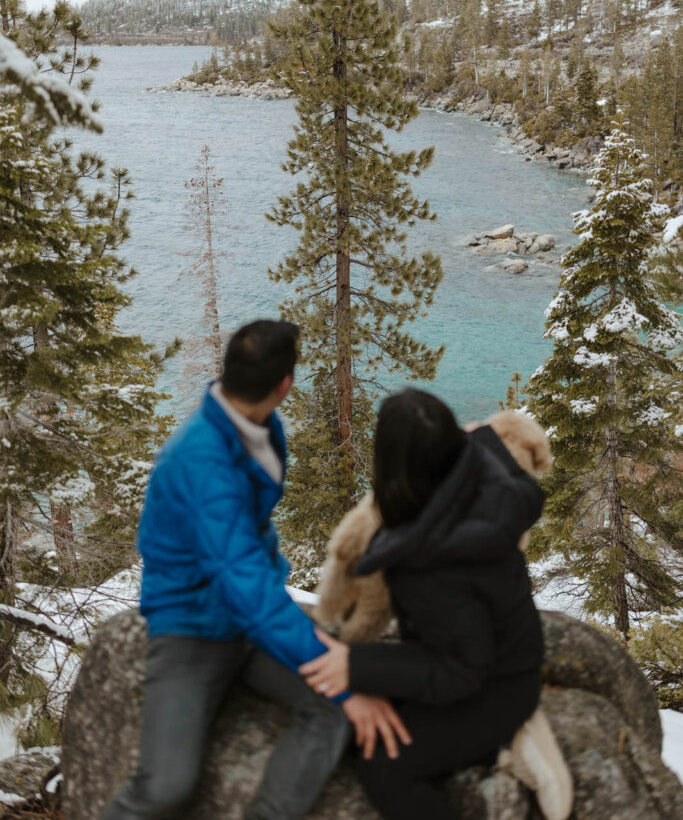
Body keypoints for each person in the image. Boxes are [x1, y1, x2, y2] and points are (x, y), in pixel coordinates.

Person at [102, 319, 410, 820]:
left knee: (331, 713)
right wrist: (345, 678)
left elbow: (251, 558)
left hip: (253, 616)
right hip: (191, 625)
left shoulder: (260, 426)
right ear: (285, 383)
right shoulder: (202, 461)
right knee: (164, 787)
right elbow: (241, 581)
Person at [300, 387, 545, 820]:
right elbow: (500, 458)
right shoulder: (496, 487)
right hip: (503, 647)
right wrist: (480, 436)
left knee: (384, 767)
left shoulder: (429, 563)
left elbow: (462, 670)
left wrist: (355, 665)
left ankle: (500, 746)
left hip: (495, 686)